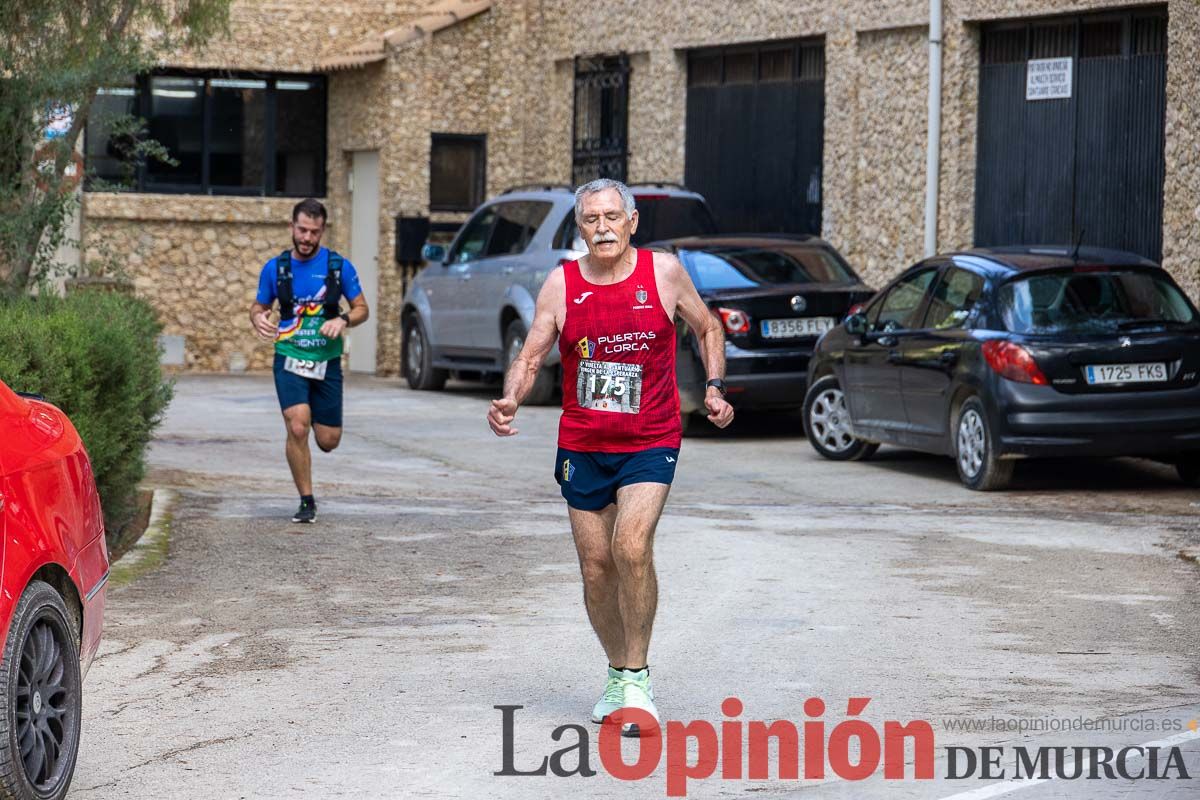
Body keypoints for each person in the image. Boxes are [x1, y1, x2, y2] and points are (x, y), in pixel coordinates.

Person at [487, 178, 734, 736]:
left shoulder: (663, 273)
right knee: (596, 567)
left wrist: (715, 387)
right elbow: (529, 358)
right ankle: (618, 671)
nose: (602, 227)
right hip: (583, 441)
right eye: (591, 219)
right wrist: (510, 397)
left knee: (631, 545)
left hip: (651, 436)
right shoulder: (561, 285)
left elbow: (708, 325)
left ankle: (638, 680)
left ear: (632, 222)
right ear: (580, 229)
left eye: (611, 217)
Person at [250, 199, 369, 524]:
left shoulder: (337, 267)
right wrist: (258, 318)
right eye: (302, 230)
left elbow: (362, 308)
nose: (307, 237)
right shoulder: (276, 268)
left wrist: (343, 320)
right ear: (292, 227)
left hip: (326, 362)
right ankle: (306, 500)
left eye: (314, 232)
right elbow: (258, 306)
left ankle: (313, 410)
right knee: (298, 426)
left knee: (328, 440)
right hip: (289, 357)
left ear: (322, 231)